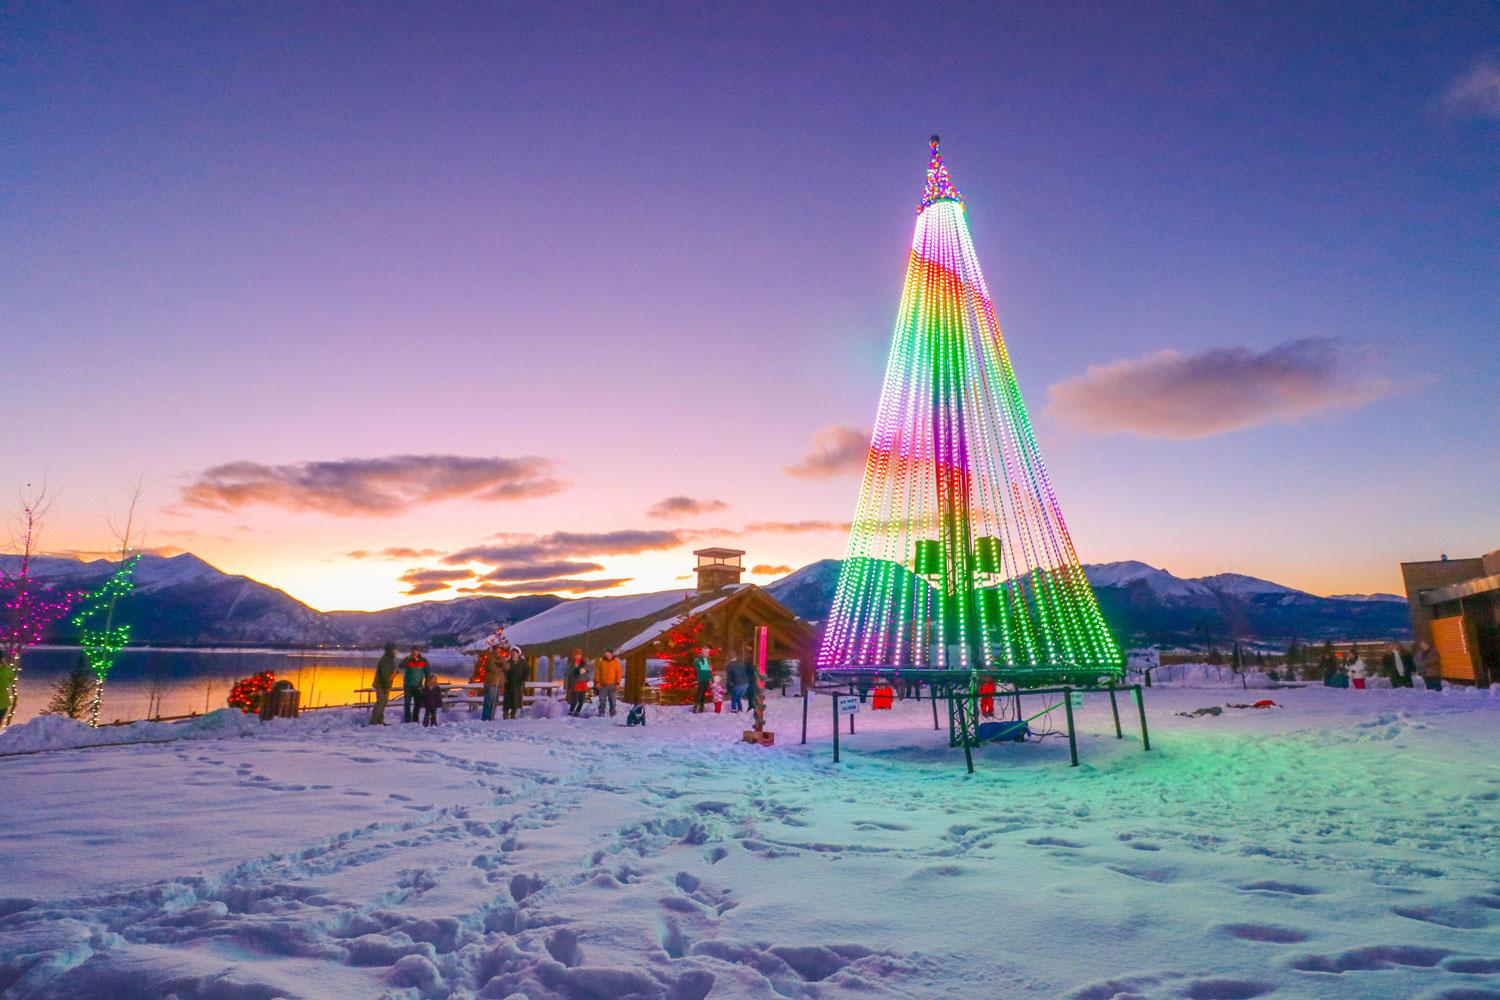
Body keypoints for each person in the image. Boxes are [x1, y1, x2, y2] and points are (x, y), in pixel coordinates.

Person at [369, 643, 397, 725]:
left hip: (384, 684)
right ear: (390, 650)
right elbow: (385, 675)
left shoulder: (389, 659)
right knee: (381, 702)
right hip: (382, 685)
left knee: (383, 702)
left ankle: (379, 720)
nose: (396, 651)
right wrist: (386, 686)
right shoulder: (386, 660)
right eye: (394, 650)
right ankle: (374, 721)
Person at [401, 646, 430, 723]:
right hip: (408, 685)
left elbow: (428, 673)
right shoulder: (408, 660)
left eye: (416, 651)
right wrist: (407, 658)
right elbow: (401, 666)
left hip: (418, 685)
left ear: (419, 652)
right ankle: (407, 720)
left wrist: (426, 684)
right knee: (407, 703)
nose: (414, 653)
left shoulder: (424, 661)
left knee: (417, 703)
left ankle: (415, 720)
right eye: (412, 651)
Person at [594, 648, 622, 718]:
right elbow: (597, 672)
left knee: (612, 700)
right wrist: (597, 681)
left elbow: (619, 674)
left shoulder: (616, 662)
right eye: (605, 653)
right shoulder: (601, 661)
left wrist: (617, 683)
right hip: (602, 684)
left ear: (611, 654)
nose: (607, 655)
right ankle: (601, 713)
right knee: (602, 700)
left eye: (608, 653)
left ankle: (612, 714)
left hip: (612, 685)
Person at [503, 647, 527, 719]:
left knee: (516, 700)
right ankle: (505, 715)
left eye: (514, 653)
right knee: (507, 700)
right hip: (509, 684)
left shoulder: (522, 663)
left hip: (518, 684)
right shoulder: (508, 662)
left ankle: (514, 715)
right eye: (512, 653)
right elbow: (504, 672)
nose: (513, 654)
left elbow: (527, 672)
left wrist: (522, 680)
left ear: (518, 654)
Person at [481, 649, 503, 721]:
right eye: (496, 650)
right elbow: (492, 668)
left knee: (495, 701)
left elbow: (505, 668)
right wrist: (499, 665)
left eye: (499, 651)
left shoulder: (500, 659)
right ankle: (486, 717)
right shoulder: (490, 658)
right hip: (490, 683)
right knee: (488, 701)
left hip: (497, 684)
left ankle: (492, 716)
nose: (498, 652)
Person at [566, 650, 589, 717]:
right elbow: (569, 673)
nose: (578, 656)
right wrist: (575, 669)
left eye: (579, 655)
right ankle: (571, 712)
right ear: (574, 656)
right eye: (576, 655)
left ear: (581, 655)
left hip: (583, 683)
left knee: (582, 701)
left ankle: (577, 712)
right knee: (575, 700)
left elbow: (588, 670)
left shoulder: (584, 662)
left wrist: (584, 670)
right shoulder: (572, 663)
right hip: (576, 683)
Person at [692, 648, 713, 714]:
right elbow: (695, 664)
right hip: (701, 679)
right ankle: (695, 708)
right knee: (699, 693)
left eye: (708, 652)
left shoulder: (707, 660)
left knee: (703, 694)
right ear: (703, 652)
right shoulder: (700, 658)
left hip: (706, 679)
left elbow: (709, 671)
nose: (708, 654)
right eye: (707, 652)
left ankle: (701, 708)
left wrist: (711, 679)